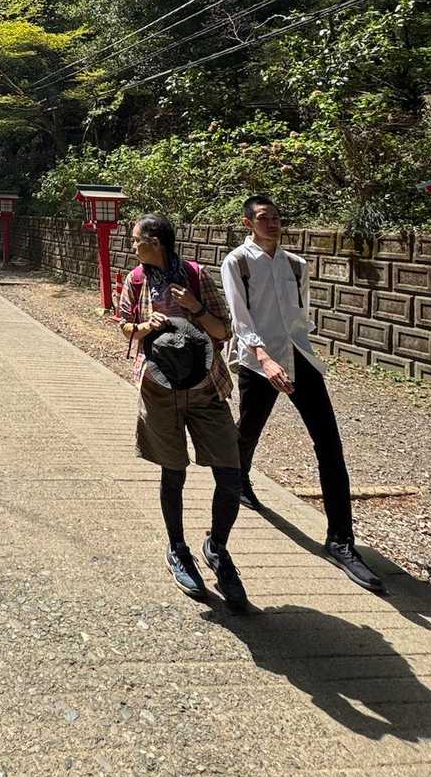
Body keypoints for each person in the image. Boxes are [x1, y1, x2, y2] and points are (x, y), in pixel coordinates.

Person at [222, 195, 383, 593]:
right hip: (259, 362)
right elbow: (240, 318)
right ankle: (239, 479)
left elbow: (299, 315)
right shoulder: (237, 262)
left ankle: (341, 540)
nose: (272, 223)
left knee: (329, 444)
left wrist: (299, 349)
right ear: (248, 223)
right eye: (264, 217)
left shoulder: (296, 264)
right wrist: (263, 357)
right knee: (250, 429)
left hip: (299, 357)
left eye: (276, 217)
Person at [119, 214, 249, 611]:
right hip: (160, 388)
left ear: (156, 241)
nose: (133, 246)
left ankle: (217, 548)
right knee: (172, 471)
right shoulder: (136, 280)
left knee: (230, 472)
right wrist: (145, 326)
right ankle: (177, 548)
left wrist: (194, 307)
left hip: (206, 386)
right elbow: (124, 326)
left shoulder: (196, 275)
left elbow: (223, 330)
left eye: (137, 240)